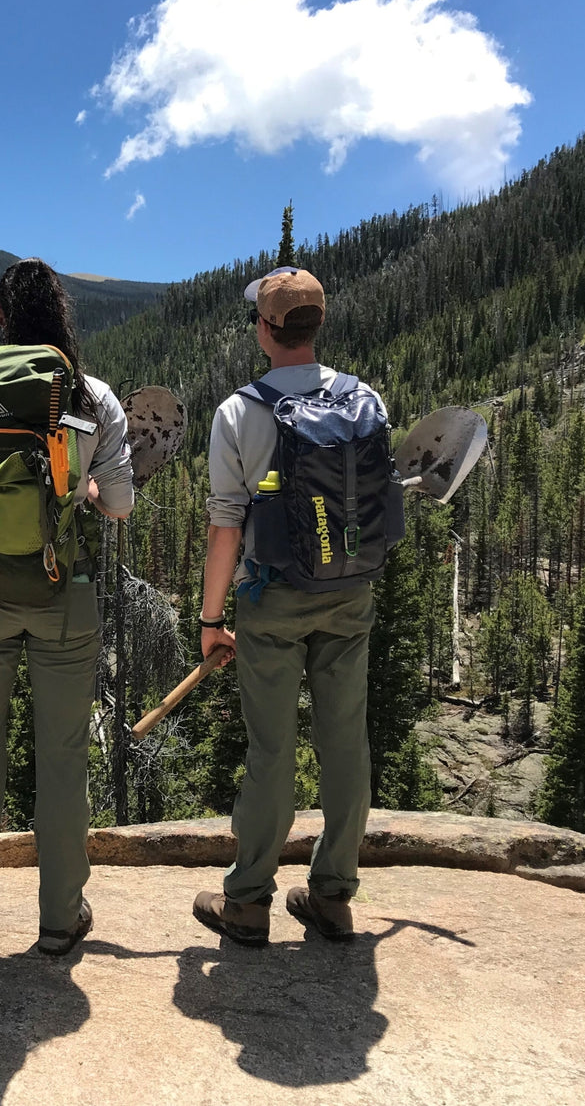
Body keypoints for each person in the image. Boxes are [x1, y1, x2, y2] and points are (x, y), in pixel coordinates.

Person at [0, 258, 133, 956]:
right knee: (64, 756)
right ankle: (58, 919)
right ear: (61, 318)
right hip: (63, 597)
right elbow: (120, 504)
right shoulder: (90, 395)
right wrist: (89, 496)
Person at [193, 267, 379, 945]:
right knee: (345, 743)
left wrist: (212, 620)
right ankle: (333, 894)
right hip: (349, 593)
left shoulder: (241, 412)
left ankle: (248, 901)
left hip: (272, 598)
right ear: (316, 325)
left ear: (267, 331)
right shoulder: (362, 397)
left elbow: (226, 526)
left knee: (273, 749)